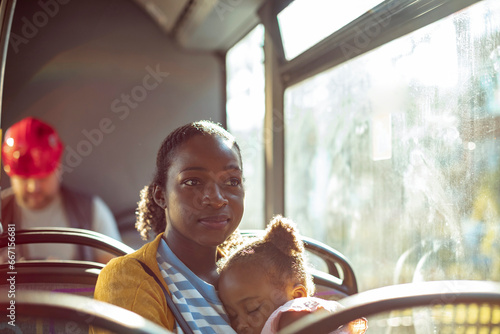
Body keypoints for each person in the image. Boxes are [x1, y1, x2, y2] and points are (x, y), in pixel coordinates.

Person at [93, 120, 245, 333]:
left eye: (232, 181)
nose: (217, 199)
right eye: (193, 181)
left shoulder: (254, 275)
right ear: (160, 195)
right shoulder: (127, 279)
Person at [218, 215, 368, 334]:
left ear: (297, 296)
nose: (240, 325)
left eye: (252, 309)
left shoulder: (297, 314)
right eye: (232, 316)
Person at [1, 117, 122, 263]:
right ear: (10, 173)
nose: (34, 187)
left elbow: (117, 277)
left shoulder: (92, 211)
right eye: (24, 179)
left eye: (42, 178)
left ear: (58, 168)